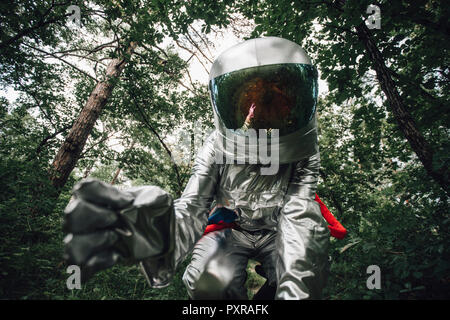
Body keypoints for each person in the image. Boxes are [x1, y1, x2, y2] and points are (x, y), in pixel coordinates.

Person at [63, 36, 345, 300]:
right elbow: (194, 204)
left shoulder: (303, 150)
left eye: (275, 101)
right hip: (231, 230)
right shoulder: (216, 146)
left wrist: (296, 285)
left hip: (277, 230)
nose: (264, 111)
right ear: (241, 107)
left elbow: (299, 212)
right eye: (255, 103)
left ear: (292, 106)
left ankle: (272, 284)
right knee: (206, 281)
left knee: (308, 255)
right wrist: (154, 232)